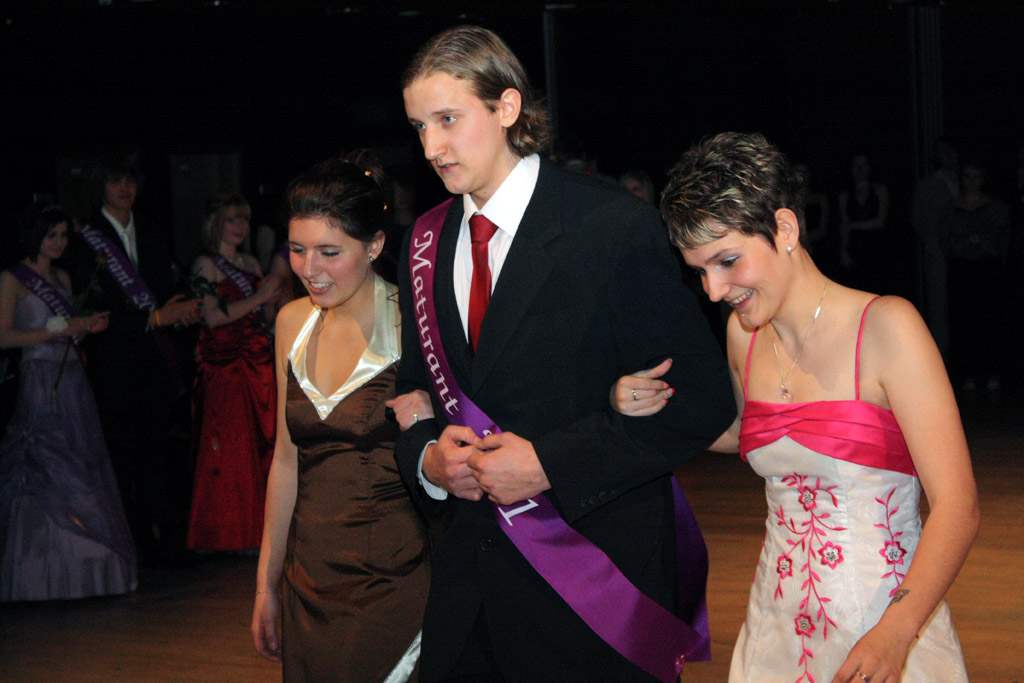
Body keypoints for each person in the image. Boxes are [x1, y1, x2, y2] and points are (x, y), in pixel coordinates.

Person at [395, 25, 734, 682]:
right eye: (419, 127)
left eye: (448, 119)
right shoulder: (423, 243)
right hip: (467, 597)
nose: (431, 147)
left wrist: (549, 463)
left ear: (507, 107)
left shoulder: (609, 225)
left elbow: (699, 400)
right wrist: (431, 461)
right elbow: (413, 391)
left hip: (592, 594)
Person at [615, 132, 978, 683]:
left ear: (784, 228)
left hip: (883, 629)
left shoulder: (887, 327)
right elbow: (747, 433)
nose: (713, 290)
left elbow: (958, 507)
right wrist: (647, 403)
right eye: (700, 271)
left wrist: (895, 632)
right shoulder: (744, 336)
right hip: (777, 628)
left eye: (727, 261)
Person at [251, 157, 432, 682]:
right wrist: (266, 584)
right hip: (309, 580)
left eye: (329, 252)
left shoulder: (414, 322)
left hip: (394, 578)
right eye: (297, 249)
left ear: (374, 245)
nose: (309, 269)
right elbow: (286, 461)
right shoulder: (291, 322)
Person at [63, 158, 202, 564]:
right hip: (113, 364)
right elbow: (90, 307)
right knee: (121, 454)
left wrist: (178, 310)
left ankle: (166, 540)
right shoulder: (84, 240)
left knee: (157, 452)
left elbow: (163, 291)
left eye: (129, 181)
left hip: (154, 361)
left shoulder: (152, 231)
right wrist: (152, 318)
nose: (124, 188)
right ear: (100, 188)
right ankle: (133, 542)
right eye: (115, 181)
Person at [0, 204, 136, 600]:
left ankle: (90, 569)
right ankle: (41, 570)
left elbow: (68, 334)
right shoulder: (12, 278)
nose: (58, 243)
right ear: (35, 236)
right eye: (51, 236)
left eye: (63, 235)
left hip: (73, 380)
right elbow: (4, 336)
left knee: (80, 461)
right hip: (39, 379)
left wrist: (85, 328)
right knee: (45, 462)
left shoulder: (62, 277)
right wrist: (55, 329)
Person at [186, 193, 281, 552]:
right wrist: (260, 298)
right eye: (232, 219)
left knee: (262, 443)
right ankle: (231, 534)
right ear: (216, 225)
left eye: (244, 220)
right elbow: (212, 317)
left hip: (257, 360)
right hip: (226, 365)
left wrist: (274, 300)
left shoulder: (251, 262)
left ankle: (261, 529)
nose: (240, 226)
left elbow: (263, 316)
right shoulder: (205, 265)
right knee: (232, 448)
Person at [939, 157, 1010, 393]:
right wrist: (964, 245)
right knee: (963, 322)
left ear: (983, 179)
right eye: (967, 177)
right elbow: (944, 240)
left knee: (990, 321)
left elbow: (1004, 240)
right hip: (961, 271)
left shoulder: (996, 207)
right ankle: (967, 374)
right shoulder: (950, 208)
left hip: (988, 271)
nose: (972, 182)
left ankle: (992, 373)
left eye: (976, 177)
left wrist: (983, 244)